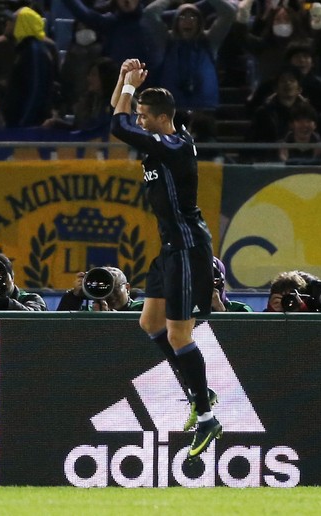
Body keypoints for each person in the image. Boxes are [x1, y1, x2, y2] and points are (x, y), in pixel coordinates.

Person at [110, 58, 220, 461]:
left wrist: (127, 90)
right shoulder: (165, 138)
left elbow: (117, 125)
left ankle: (207, 416)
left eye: (144, 116)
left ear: (161, 118)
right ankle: (198, 389)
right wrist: (125, 80)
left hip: (189, 249)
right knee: (150, 322)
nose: (138, 121)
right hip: (170, 249)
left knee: (178, 335)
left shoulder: (171, 146)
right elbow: (119, 115)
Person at [0, 6, 58, 128]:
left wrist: (24, 123)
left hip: (26, 126)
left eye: (13, 21)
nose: (8, 24)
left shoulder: (34, 51)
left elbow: (36, 90)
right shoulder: (25, 49)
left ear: (22, 24)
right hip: (18, 123)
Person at [56, 266, 144, 311]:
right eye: (105, 287)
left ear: (127, 288)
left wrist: (112, 320)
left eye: (115, 288)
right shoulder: (88, 313)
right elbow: (59, 331)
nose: (111, 294)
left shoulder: (143, 309)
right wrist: (74, 297)